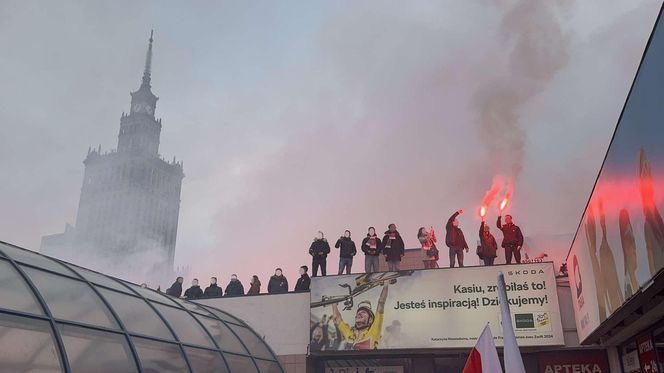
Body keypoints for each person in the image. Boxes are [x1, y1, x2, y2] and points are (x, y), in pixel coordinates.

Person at [332, 282, 389, 350]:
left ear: (370, 320)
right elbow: (338, 319)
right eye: (358, 313)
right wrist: (334, 304)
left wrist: (386, 285)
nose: (359, 314)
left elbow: (381, 303)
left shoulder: (374, 332)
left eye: (363, 312)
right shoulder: (350, 336)